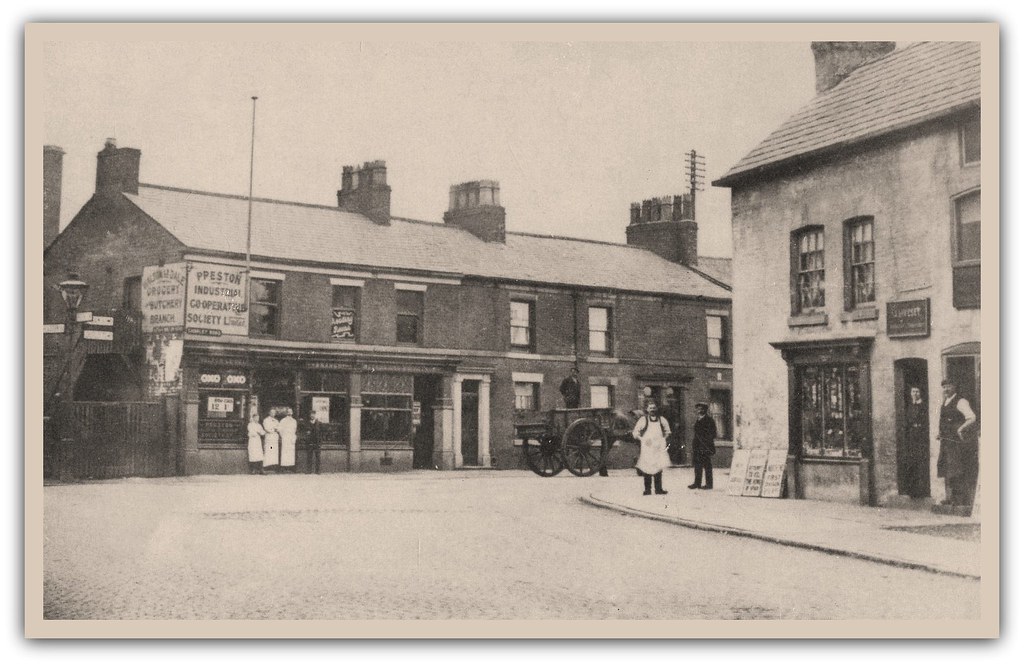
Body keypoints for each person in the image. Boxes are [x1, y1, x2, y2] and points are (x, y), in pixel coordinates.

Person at [936, 379, 978, 506]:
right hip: (946, 441)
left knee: (956, 469)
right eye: (943, 387)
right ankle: (950, 498)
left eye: (948, 386)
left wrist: (960, 428)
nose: (945, 389)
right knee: (948, 469)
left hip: (956, 443)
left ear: (954, 387)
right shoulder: (945, 402)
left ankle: (959, 500)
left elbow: (972, 417)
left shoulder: (961, 401)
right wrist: (941, 433)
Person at [632, 400, 671, 495]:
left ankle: (659, 489)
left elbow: (668, 432)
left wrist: (663, 440)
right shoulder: (643, 420)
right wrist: (642, 439)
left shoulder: (662, 420)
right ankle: (647, 490)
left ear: (656, 409)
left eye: (654, 408)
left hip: (658, 447)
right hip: (648, 448)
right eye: (650, 408)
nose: (652, 410)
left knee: (658, 467)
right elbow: (635, 432)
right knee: (647, 468)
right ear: (647, 409)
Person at [902, 386, 929, 498]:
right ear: (910, 393)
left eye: (917, 391)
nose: (915, 393)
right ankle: (912, 491)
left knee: (921, 462)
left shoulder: (923, 406)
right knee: (912, 462)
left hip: (921, 437)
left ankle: (922, 490)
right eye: (913, 391)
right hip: (911, 437)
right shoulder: (909, 406)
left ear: (920, 393)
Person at [689, 402, 717, 490]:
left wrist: (706, 442)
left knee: (707, 465)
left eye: (701, 408)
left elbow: (713, 433)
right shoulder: (698, 419)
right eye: (698, 408)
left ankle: (709, 484)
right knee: (697, 465)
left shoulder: (709, 420)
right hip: (697, 446)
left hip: (705, 446)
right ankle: (697, 483)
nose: (699, 410)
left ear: (705, 410)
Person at [278, 407, 298, 473]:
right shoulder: (283, 420)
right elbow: (280, 429)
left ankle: (290, 467)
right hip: (285, 438)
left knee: (291, 453)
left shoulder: (294, 421)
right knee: (285, 453)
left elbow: (294, 429)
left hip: (291, 438)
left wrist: (293, 437)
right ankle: (284, 467)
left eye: (290, 412)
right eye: (288, 412)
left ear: (292, 413)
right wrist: (283, 436)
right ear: (286, 413)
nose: (289, 413)